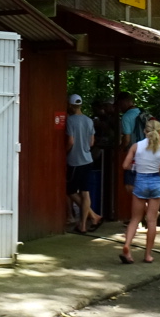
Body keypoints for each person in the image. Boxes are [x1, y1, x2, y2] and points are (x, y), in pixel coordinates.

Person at [119, 118, 160, 265]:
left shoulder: (136, 146)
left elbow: (125, 165)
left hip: (140, 181)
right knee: (152, 220)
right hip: (155, 183)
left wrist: (137, 167)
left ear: (144, 131)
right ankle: (148, 255)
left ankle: (127, 245)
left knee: (135, 219)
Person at [64, 94, 100, 232]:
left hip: (75, 160)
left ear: (70, 105)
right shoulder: (89, 120)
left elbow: (71, 141)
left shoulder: (70, 121)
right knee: (85, 193)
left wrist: (65, 152)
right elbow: (92, 142)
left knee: (70, 191)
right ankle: (84, 224)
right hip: (88, 159)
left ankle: (93, 215)